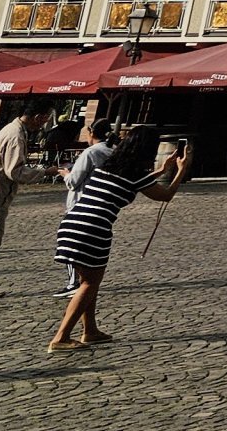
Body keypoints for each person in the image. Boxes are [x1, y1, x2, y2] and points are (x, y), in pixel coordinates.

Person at [48, 127, 188, 351]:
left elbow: (132, 183)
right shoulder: (135, 173)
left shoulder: (108, 166)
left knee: (88, 282)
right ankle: (61, 337)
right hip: (93, 229)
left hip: (71, 223)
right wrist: (181, 170)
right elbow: (165, 195)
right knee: (89, 283)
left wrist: (162, 170)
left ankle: (90, 331)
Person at [0, 103, 34, 299]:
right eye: (45, 118)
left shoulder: (11, 128)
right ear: (38, 117)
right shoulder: (15, 135)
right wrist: (45, 172)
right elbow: (15, 171)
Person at [58, 119, 118, 293]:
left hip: (80, 202)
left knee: (72, 243)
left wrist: (65, 173)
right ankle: (85, 281)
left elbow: (73, 181)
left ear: (91, 133)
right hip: (102, 202)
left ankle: (74, 283)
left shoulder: (90, 152)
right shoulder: (113, 151)